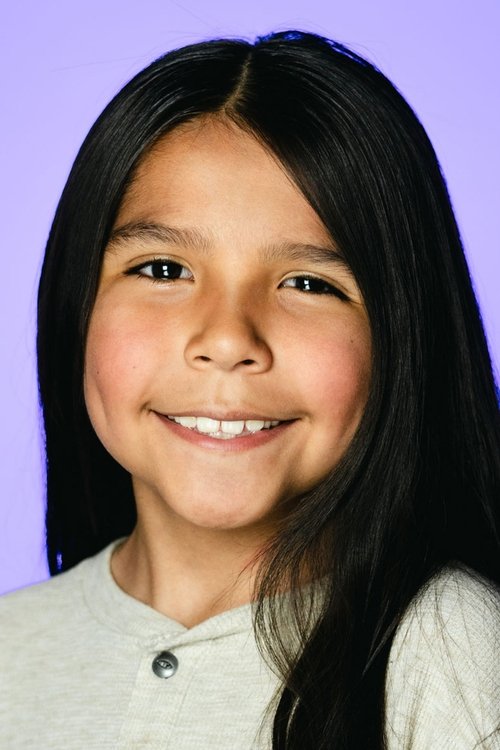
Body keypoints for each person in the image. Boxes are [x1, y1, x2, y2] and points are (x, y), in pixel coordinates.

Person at [0, 29, 499, 749]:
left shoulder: (457, 660)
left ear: (403, 335)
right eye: (164, 270)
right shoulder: (12, 648)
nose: (229, 339)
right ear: (74, 305)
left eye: (308, 283)